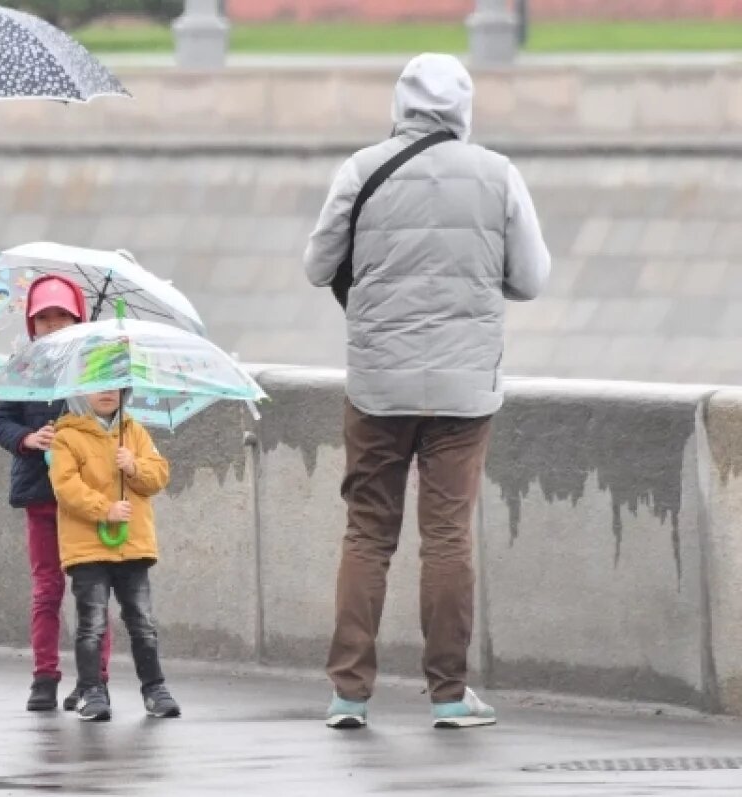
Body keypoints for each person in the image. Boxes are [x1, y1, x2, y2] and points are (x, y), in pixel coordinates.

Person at [303, 53, 550, 730]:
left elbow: (317, 264)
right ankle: (448, 693)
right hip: (464, 390)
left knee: (368, 532)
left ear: (400, 103)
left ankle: (349, 692)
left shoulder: (361, 169)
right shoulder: (498, 174)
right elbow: (530, 278)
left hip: (379, 383)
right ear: (464, 107)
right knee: (446, 537)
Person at [0, 275, 114, 712]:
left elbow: (114, 423)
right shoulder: (22, 368)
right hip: (41, 496)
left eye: (63, 316)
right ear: (32, 324)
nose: (55, 325)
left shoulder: (98, 369)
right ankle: (44, 677)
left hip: (83, 499)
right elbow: (1, 421)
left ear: (79, 317)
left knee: (91, 590)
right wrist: (29, 438)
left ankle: (94, 679)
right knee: (47, 589)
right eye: (45, 318)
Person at [48, 389, 180, 722]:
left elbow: (159, 474)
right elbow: (65, 486)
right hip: (88, 548)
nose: (107, 393)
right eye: (98, 385)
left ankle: (154, 689)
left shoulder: (134, 431)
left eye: (115, 386)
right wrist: (104, 509)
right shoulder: (67, 436)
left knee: (143, 622)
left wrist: (134, 467)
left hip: (132, 546)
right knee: (91, 624)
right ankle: (92, 690)